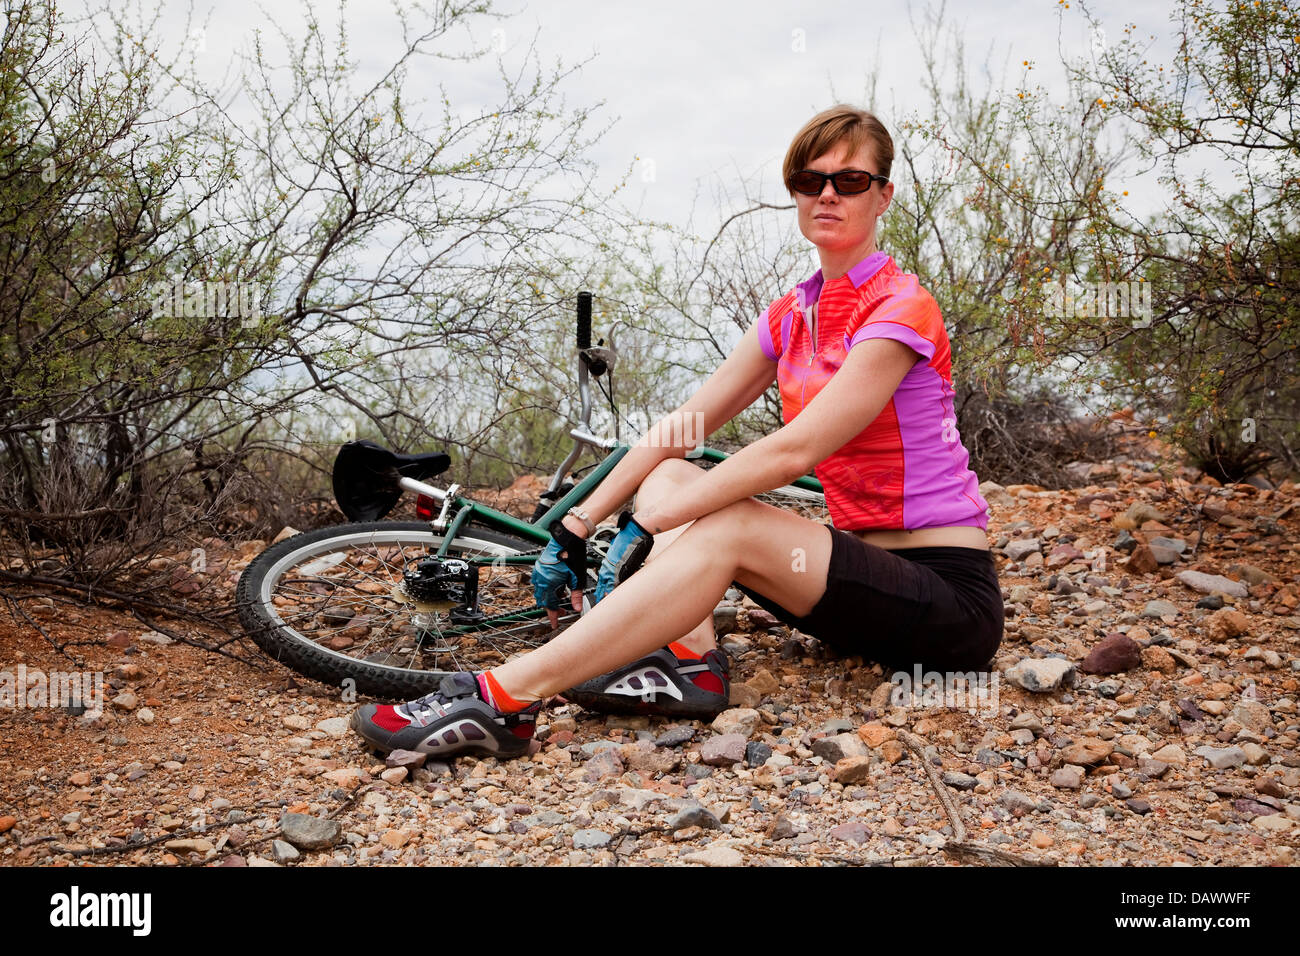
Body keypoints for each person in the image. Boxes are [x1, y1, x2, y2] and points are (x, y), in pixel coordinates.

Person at [350, 104, 1004, 759]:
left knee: (723, 515)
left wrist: (649, 525)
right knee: (669, 470)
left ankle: (502, 698)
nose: (827, 193)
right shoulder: (793, 313)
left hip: (945, 603)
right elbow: (682, 425)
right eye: (810, 181)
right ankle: (688, 665)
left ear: (884, 195)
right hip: (857, 591)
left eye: (850, 181)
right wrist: (579, 523)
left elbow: (796, 451)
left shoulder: (900, 307)